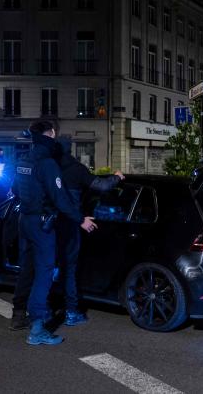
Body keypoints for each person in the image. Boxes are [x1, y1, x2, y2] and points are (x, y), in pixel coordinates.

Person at [11, 121, 97, 345]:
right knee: (44, 273)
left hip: (24, 221)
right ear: (50, 134)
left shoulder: (23, 160)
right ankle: (38, 328)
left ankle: (20, 315)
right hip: (41, 224)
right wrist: (80, 220)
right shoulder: (47, 163)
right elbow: (60, 199)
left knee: (27, 269)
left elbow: (14, 190)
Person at [54, 135, 125, 326]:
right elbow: (101, 186)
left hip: (49, 225)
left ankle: (44, 311)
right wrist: (117, 177)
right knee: (69, 269)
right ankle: (71, 312)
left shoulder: (49, 168)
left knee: (47, 268)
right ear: (70, 149)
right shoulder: (77, 169)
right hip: (71, 225)